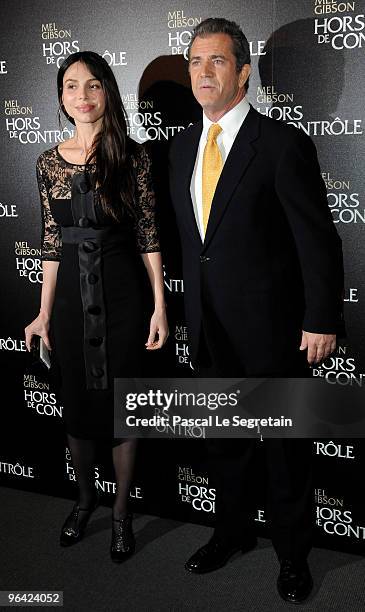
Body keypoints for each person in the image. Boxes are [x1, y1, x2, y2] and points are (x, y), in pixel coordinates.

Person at [168, 18, 344, 603]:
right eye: (194, 61)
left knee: (286, 449)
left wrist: (320, 318)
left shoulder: (282, 143)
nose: (202, 72)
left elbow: (316, 240)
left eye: (216, 61)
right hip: (208, 326)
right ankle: (232, 533)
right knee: (224, 442)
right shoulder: (180, 147)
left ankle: (294, 557)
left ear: (244, 71)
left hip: (274, 330)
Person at [25, 51, 168, 563]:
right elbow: (49, 242)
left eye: (91, 85)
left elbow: (149, 235)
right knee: (79, 412)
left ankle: (123, 514)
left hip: (124, 297)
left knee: (123, 411)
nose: (81, 96)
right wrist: (43, 313)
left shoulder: (135, 157)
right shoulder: (47, 162)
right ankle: (85, 501)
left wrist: (159, 306)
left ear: (107, 91)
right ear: (61, 98)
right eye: (70, 87)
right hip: (68, 304)